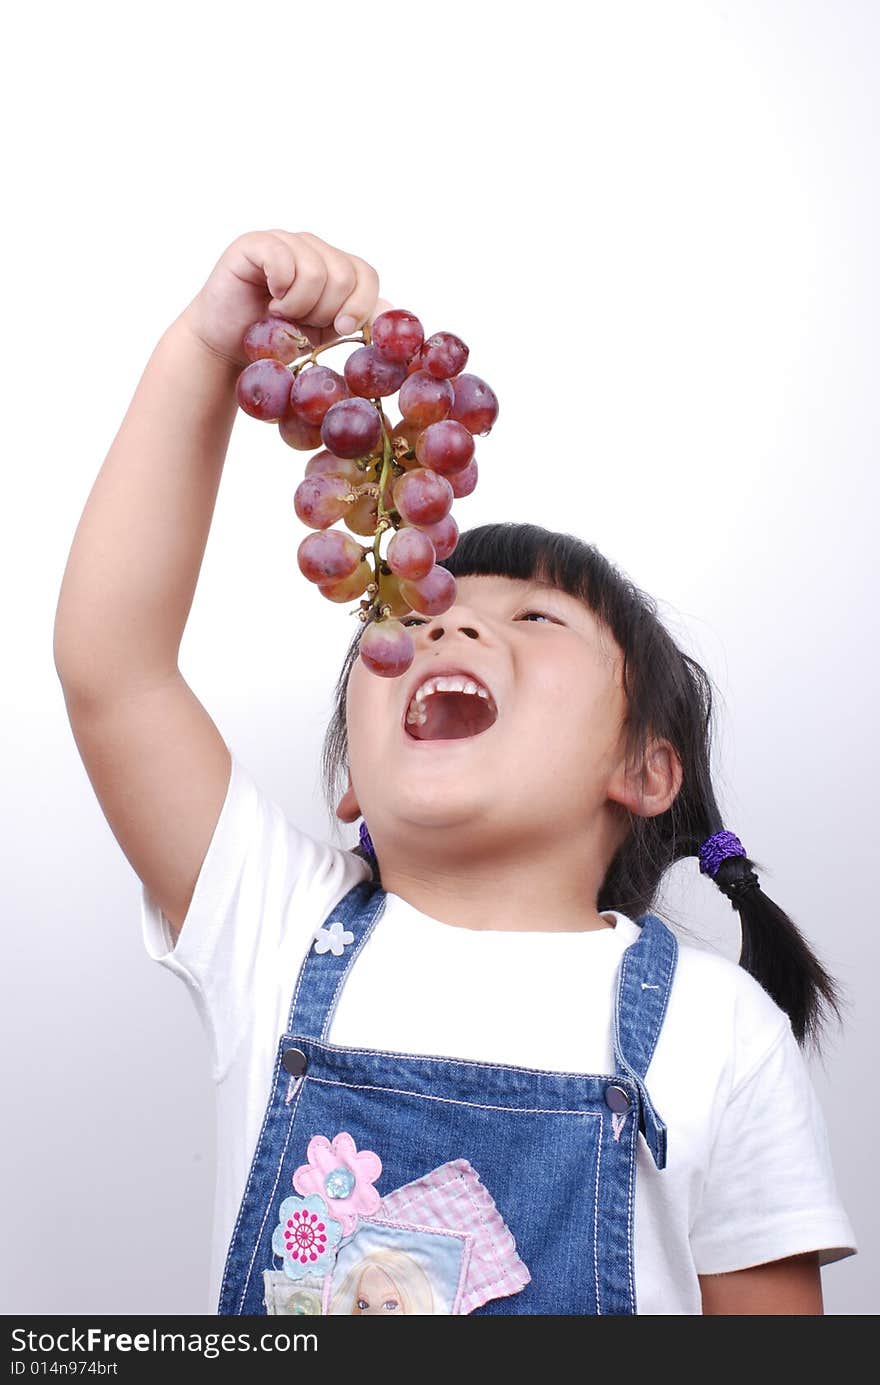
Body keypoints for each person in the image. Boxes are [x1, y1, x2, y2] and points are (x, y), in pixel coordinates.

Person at [53, 229, 858, 1316]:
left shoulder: (718, 1027)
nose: (445, 633)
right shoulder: (279, 922)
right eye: (409, 619)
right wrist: (206, 350)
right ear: (349, 789)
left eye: (529, 616)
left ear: (644, 767)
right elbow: (115, 665)